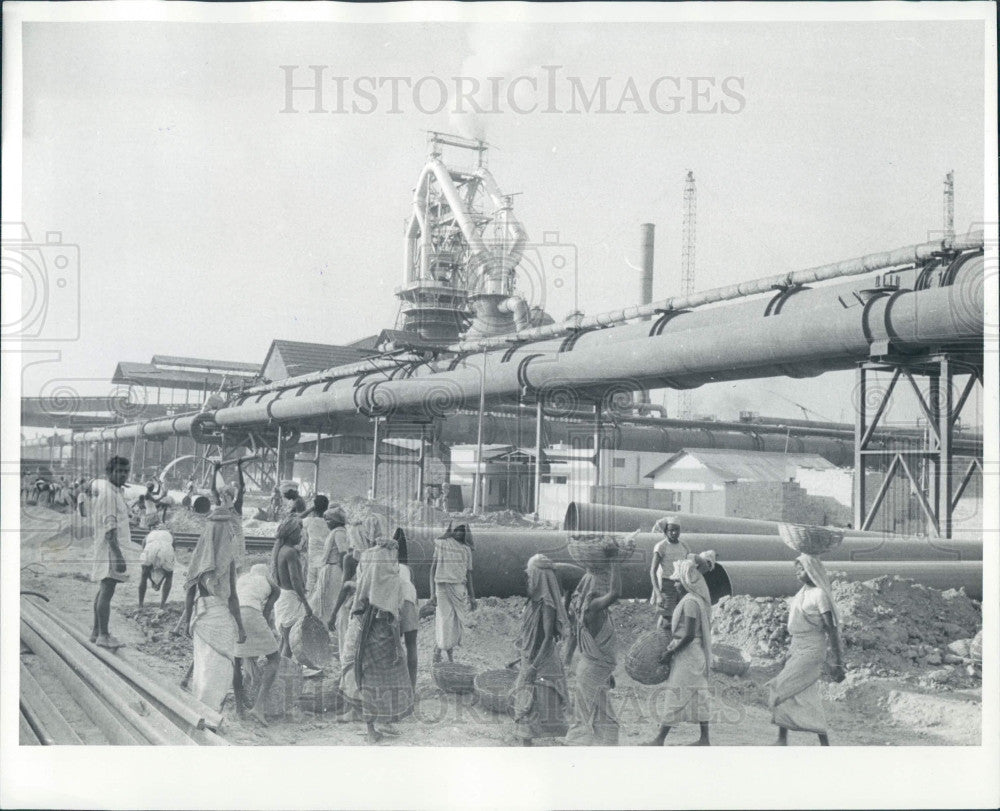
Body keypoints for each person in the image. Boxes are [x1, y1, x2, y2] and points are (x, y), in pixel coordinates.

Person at [341, 531, 414, 743]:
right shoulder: (390, 581)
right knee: (379, 682)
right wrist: (397, 648)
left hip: (365, 632)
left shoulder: (370, 579)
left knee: (366, 679)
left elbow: (360, 603)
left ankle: (373, 724)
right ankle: (372, 729)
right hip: (380, 635)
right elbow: (392, 617)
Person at [767, 554, 846, 746]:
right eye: (796, 569)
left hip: (812, 648)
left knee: (781, 686)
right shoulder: (802, 593)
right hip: (798, 646)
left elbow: (831, 629)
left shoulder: (819, 595)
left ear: (811, 571)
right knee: (804, 694)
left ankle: (784, 738)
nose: (797, 572)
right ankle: (787, 739)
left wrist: (836, 660)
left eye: (801, 569)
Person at [176, 505, 246, 711]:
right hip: (219, 616)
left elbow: (190, 591)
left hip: (202, 616)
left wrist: (189, 620)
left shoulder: (200, 556)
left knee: (204, 666)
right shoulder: (228, 560)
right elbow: (232, 598)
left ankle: (202, 709)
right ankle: (211, 711)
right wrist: (240, 627)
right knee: (220, 667)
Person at [645, 558, 713, 746]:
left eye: (676, 581)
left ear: (684, 581)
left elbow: (689, 634)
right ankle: (705, 739)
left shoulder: (690, 602)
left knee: (676, 693)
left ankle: (660, 739)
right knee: (699, 694)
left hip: (688, 655)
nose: (674, 584)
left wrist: (670, 652)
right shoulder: (693, 600)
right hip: (693, 654)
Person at [513, 554, 570, 746]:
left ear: (538, 577)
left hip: (541, 661)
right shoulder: (532, 602)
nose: (528, 579)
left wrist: (533, 668)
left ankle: (528, 744)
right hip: (530, 658)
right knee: (527, 702)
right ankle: (526, 742)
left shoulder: (547, 606)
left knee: (534, 703)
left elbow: (547, 639)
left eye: (531, 575)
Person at [564, 565, 621, 746]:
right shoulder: (593, 607)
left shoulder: (585, 608)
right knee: (582, 720)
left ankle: (605, 756)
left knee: (607, 720)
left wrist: (606, 673)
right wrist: (615, 563)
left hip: (594, 670)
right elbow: (615, 593)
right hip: (592, 671)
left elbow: (593, 644)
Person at [90, 457, 132, 649]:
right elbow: (110, 529)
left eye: (126, 471)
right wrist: (118, 556)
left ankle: (96, 632)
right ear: (109, 472)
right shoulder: (109, 495)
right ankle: (104, 635)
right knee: (107, 590)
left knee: (103, 590)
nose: (123, 474)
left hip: (109, 549)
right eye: (119, 471)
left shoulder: (114, 493)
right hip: (110, 550)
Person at [233, 563, 281, 726]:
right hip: (251, 613)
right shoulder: (273, 586)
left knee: (236, 661)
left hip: (233, 613)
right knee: (274, 657)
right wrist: (269, 634)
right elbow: (266, 614)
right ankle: (258, 707)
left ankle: (239, 708)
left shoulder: (241, 579)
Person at [429, 523, 476, 663]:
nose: (459, 533)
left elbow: (469, 575)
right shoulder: (442, 544)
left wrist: (472, 597)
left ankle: (449, 656)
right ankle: (438, 652)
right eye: (456, 530)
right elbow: (432, 570)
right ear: (451, 530)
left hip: (459, 589)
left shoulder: (466, 550)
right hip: (442, 587)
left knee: (455, 625)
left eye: (462, 530)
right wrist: (432, 594)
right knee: (445, 622)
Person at [270, 516, 313, 657]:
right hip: (290, 599)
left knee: (284, 639)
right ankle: (284, 673)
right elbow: (295, 580)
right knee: (290, 642)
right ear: (291, 533)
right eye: (298, 532)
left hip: (283, 597)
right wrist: (306, 604)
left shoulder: (281, 549)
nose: (301, 535)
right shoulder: (291, 552)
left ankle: (281, 670)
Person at [309, 506, 349, 625]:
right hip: (330, 569)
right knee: (325, 598)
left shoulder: (339, 532)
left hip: (335, 570)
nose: (326, 523)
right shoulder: (334, 532)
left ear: (337, 521)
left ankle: (331, 625)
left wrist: (344, 572)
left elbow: (343, 553)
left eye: (329, 520)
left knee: (331, 599)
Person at [649, 516, 690, 624]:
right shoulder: (661, 546)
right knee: (667, 619)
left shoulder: (684, 545)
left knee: (682, 618)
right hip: (667, 586)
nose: (674, 533)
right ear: (666, 531)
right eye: (671, 530)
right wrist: (658, 594)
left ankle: (676, 640)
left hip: (682, 586)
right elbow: (653, 571)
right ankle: (662, 639)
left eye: (676, 530)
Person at [210, 459, 247, 569]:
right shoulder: (222, 505)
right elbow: (213, 490)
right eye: (222, 495)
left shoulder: (236, 506)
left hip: (236, 540)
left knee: (236, 566)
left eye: (225, 494)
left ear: (230, 496)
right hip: (225, 539)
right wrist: (215, 471)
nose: (223, 496)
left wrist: (239, 467)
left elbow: (241, 486)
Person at [396, 537, 419, 690]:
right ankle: (411, 687)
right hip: (410, 601)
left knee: (393, 646)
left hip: (395, 603)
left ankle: (397, 684)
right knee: (411, 645)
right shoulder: (406, 569)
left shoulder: (384, 567)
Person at [138, 515, 176, 609]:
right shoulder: (169, 534)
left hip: (150, 547)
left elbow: (144, 546)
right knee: (169, 576)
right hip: (166, 548)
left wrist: (153, 581)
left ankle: (140, 605)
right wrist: (158, 583)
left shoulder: (150, 534)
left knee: (144, 575)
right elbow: (173, 548)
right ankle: (162, 605)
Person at [301, 494, 331, 595]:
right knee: (323, 589)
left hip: (312, 558)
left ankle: (310, 608)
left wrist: (310, 510)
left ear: (314, 507)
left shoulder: (309, 521)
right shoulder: (331, 522)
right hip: (326, 560)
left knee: (310, 587)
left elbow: (295, 519)